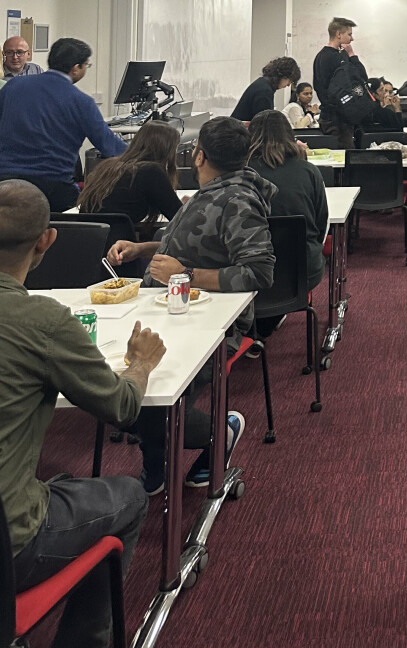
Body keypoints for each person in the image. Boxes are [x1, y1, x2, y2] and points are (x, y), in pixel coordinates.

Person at [0, 179, 164, 648]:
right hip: (10, 543)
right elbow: (120, 408)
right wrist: (140, 365)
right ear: (47, 240)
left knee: (61, 487)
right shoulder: (40, 320)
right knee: (129, 497)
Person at [106, 117, 275, 493]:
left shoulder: (238, 199)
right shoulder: (211, 191)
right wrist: (145, 248)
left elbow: (259, 272)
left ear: (198, 156)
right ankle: (157, 465)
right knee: (125, 391)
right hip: (168, 308)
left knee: (149, 402)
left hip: (208, 323)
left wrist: (186, 274)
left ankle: (221, 431)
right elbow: (194, 244)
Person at [0, 38, 126, 212]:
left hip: (6, 185)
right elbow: (109, 146)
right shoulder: (82, 102)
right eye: (86, 66)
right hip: (53, 190)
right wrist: (146, 154)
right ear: (76, 68)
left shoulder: (12, 86)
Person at [246, 110, 327, 317]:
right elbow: (320, 225)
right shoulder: (309, 171)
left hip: (249, 272)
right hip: (302, 271)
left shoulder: (240, 173)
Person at [77, 120, 183, 228]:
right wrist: (189, 205)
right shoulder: (151, 172)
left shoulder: (108, 166)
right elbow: (179, 218)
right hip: (118, 242)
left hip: (87, 239)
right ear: (167, 150)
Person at [313, 17, 366, 149]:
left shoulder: (320, 56)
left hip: (327, 116)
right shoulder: (339, 58)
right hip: (339, 119)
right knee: (344, 159)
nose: (352, 39)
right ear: (338, 34)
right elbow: (361, 78)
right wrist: (352, 55)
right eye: (349, 34)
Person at [231, 57, 301, 122]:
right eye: (289, 81)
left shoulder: (262, 84)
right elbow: (264, 123)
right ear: (283, 76)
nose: (288, 85)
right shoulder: (265, 91)